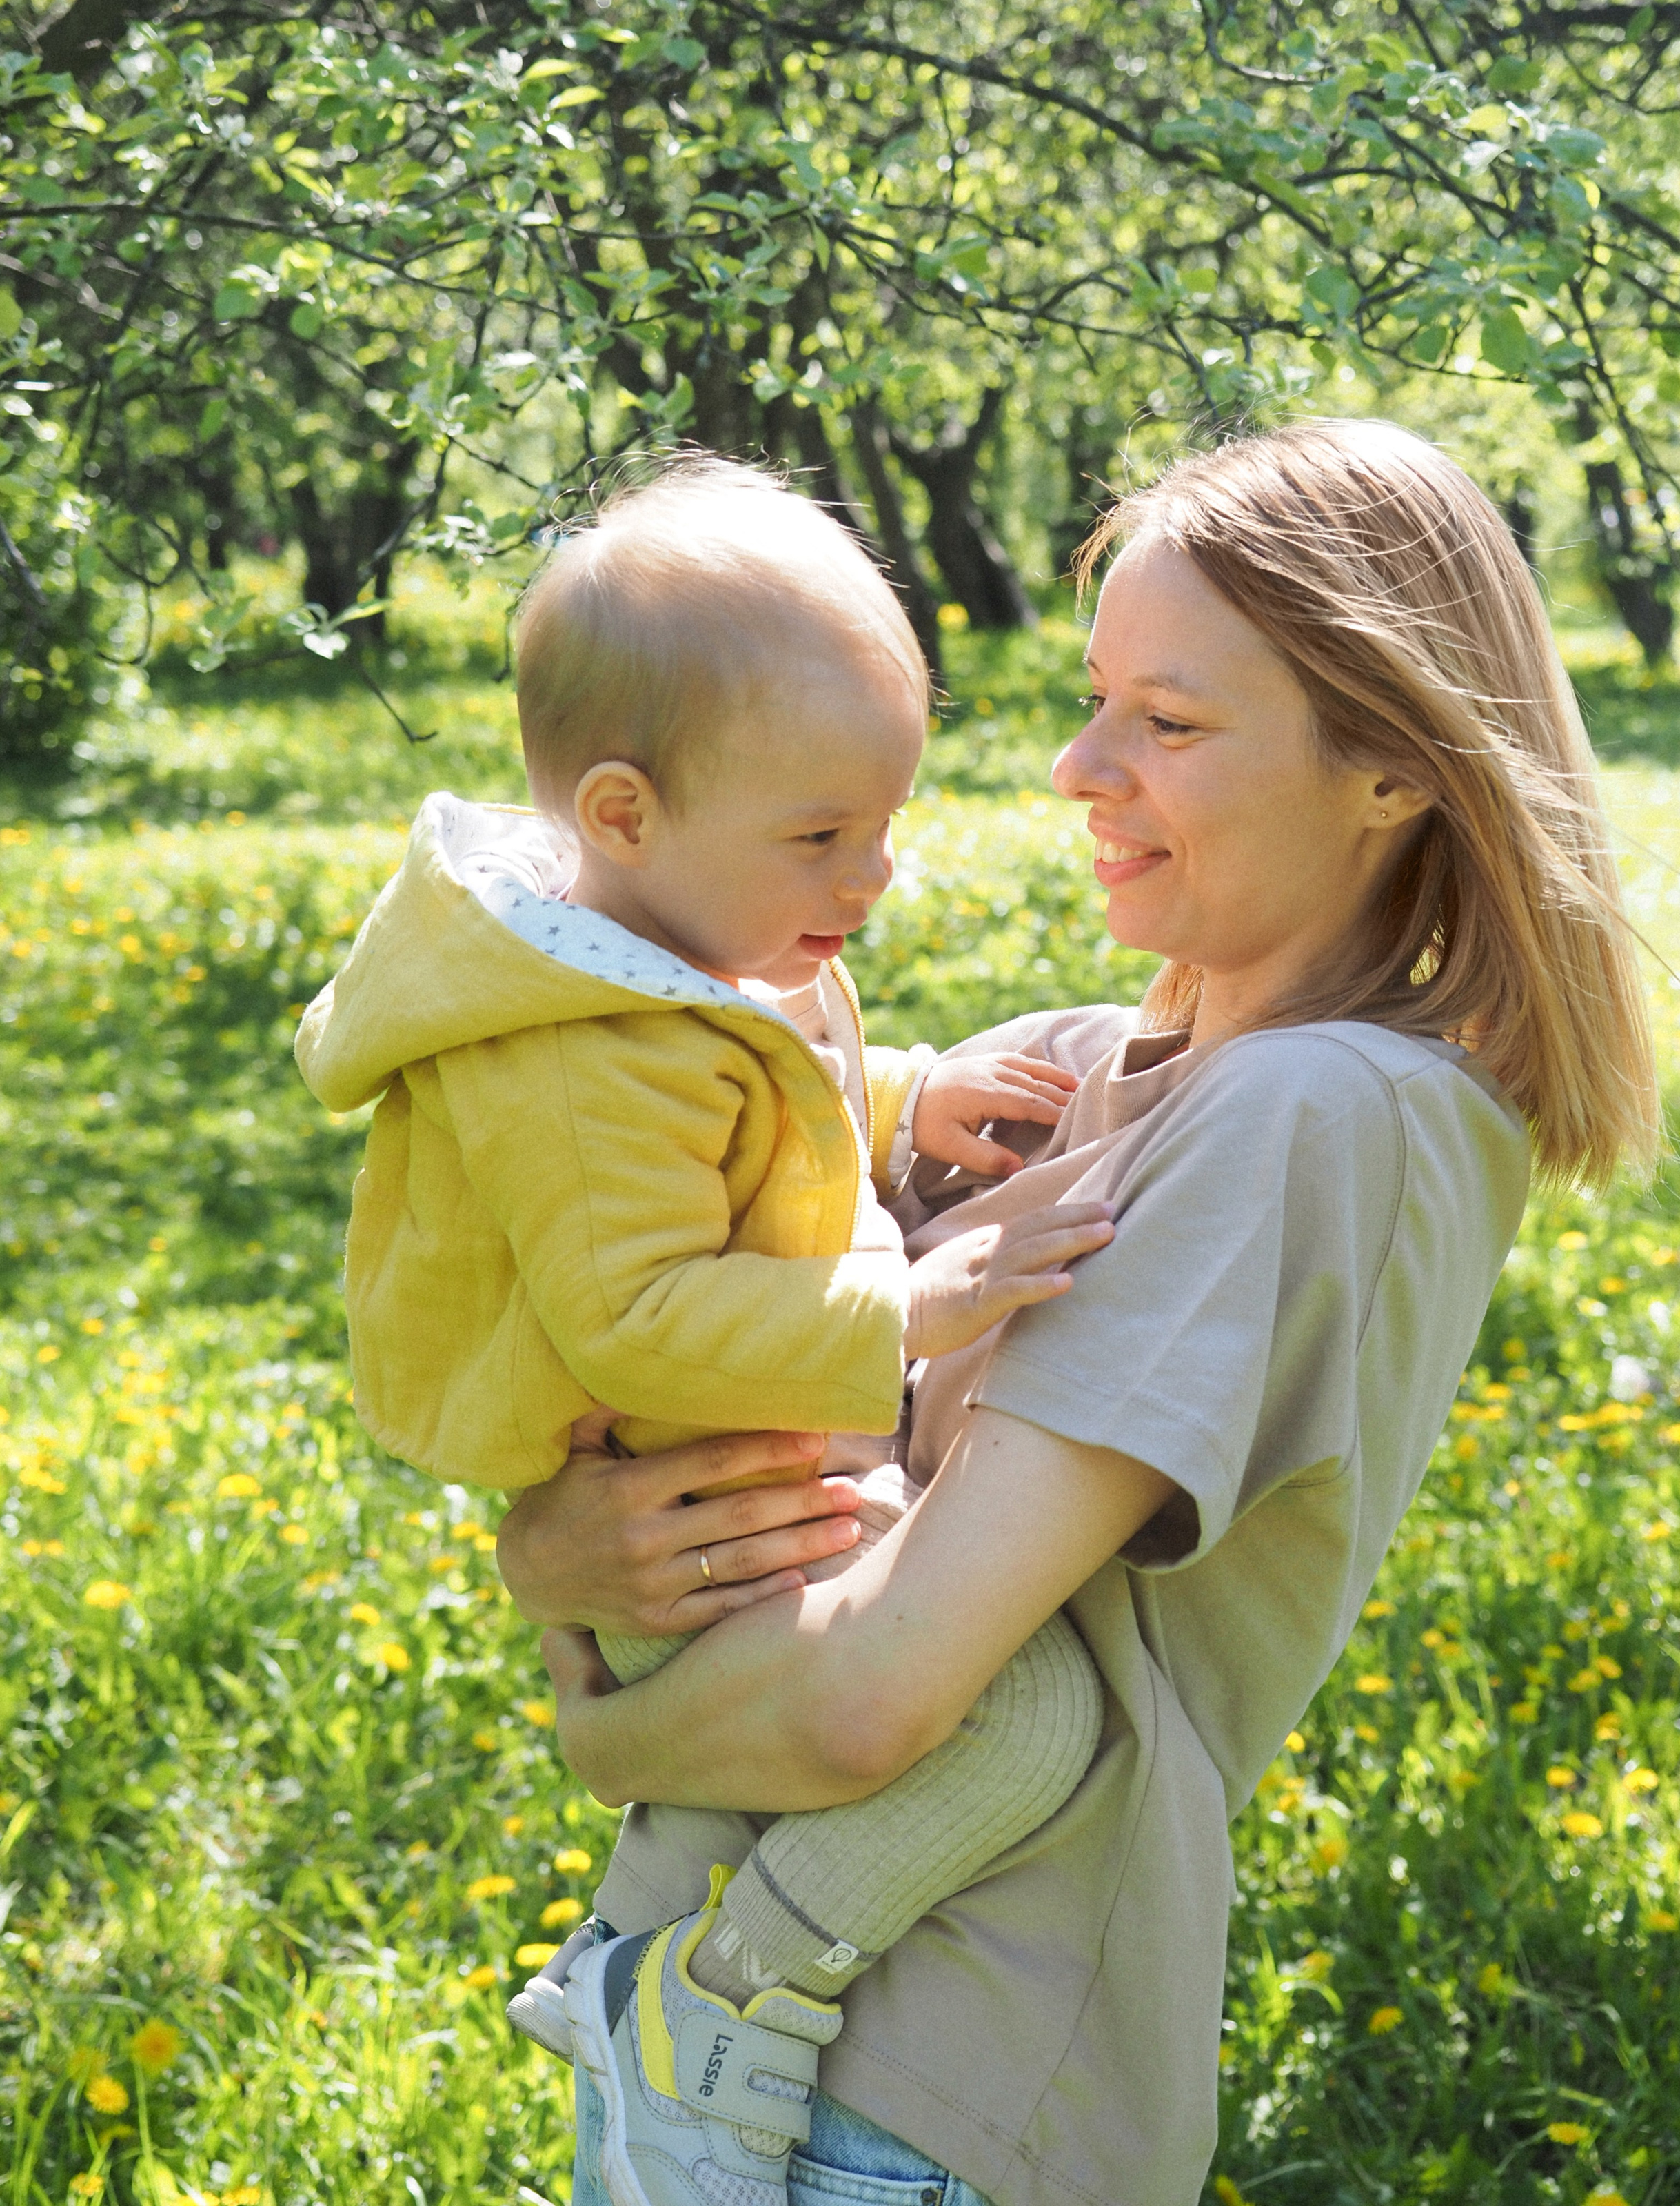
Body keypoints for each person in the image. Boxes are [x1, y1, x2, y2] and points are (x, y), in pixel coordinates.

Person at [497, 419, 1660, 2206]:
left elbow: (868, 1705)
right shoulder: (1072, 1075)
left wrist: (597, 1726)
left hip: (928, 2096)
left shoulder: (1315, 1117)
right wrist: (556, 1554)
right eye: (1097, 696)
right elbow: (681, 1400)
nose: (1076, 764)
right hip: (727, 2035)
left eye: (1170, 724)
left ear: (1394, 770)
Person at [294, 458, 1119, 2204]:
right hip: (691, 1504)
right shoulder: (579, 1047)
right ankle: (722, 1999)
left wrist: (906, 1092)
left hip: (730, 1479)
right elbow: (643, 1309)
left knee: (793, 1756)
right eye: (822, 836)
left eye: (886, 823)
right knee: (1028, 1720)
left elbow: (758, 1114)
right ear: (622, 812)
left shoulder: (694, 941)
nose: (871, 876)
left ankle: (635, 1966)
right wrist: (919, 1298)